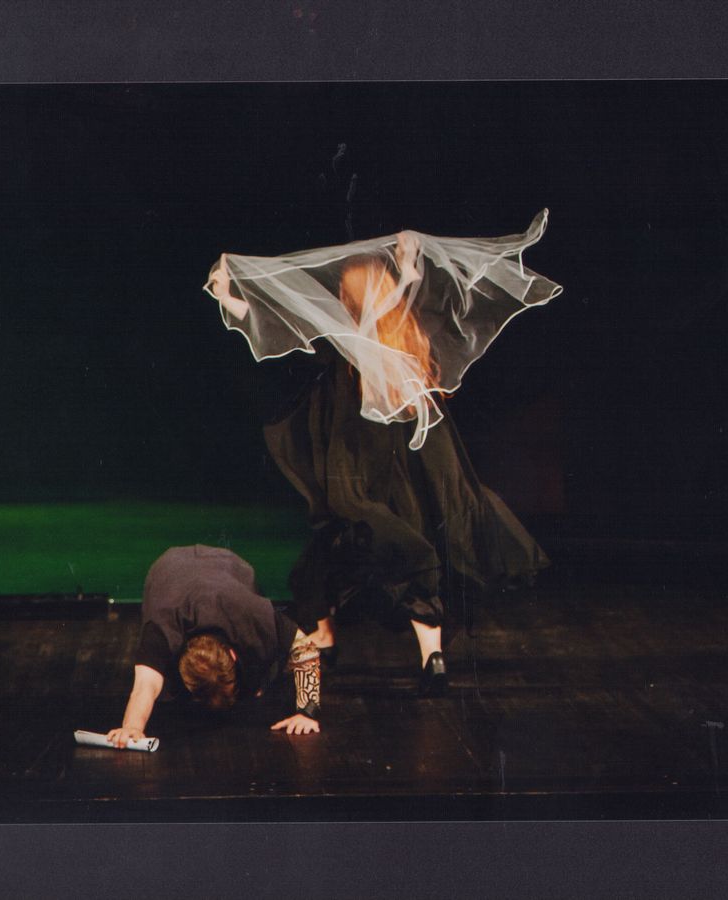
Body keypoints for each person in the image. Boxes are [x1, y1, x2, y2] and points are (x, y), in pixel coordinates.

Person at [205, 213, 560, 696]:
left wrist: (227, 295)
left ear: (352, 300)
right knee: (375, 563)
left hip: (360, 490)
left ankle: (333, 639)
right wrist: (407, 275)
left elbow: (289, 327)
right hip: (401, 495)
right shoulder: (411, 348)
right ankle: (422, 654)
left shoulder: (353, 349)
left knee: (348, 558)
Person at [106, 545, 322, 747]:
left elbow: (305, 648)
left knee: (261, 679)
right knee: (170, 695)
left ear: (233, 655)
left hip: (229, 565)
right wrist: (132, 727)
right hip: (169, 570)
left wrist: (307, 712)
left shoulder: (252, 614)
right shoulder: (162, 627)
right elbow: (145, 685)